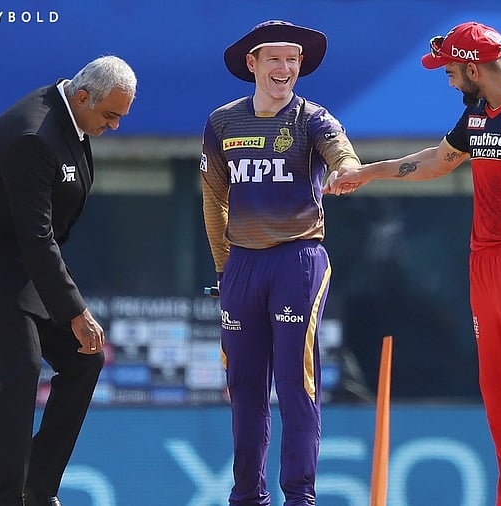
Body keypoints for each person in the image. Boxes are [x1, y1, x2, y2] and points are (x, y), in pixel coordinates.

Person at [325, 21, 501, 506]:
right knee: (499, 394)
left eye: (448, 71)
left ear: (471, 67)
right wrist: (365, 174)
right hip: (482, 263)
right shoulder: (479, 115)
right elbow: (436, 162)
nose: (445, 79)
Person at [0, 56, 136, 506]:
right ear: (82, 97)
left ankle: (38, 489)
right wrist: (76, 311)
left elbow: (40, 240)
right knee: (22, 372)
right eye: (110, 115)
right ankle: (4, 498)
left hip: (27, 266)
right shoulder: (33, 135)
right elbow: (37, 236)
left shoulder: (71, 116)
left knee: (84, 361)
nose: (115, 126)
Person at [199, 20, 362, 506]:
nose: (285, 68)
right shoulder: (223, 123)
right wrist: (225, 269)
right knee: (244, 385)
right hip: (242, 265)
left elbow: (342, 154)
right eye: (275, 58)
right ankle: (247, 497)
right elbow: (213, 201)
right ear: (252, 64)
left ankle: (300, 497)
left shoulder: (312, 118)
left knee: (295, 381)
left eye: (293, 60)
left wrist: (347, 170)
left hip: (299, 260)